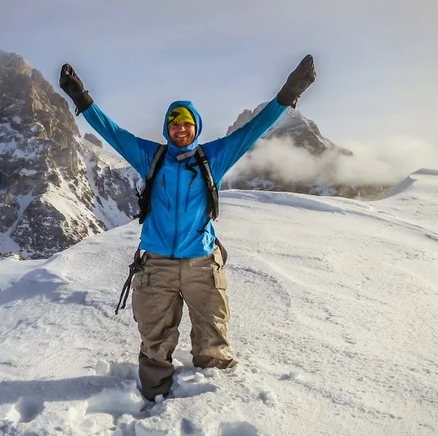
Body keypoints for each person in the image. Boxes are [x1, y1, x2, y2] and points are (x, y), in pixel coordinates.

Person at [58, 55, 316, 402]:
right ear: (167, 129)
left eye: (187, 123)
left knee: (212, 337)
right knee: (155, 340)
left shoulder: (214, 157)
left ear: (196, 127)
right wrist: (81, 98)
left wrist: (290, 91)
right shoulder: (152, 157)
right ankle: (151, 399)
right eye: (174, 123)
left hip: (202, 265)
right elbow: (113, 133)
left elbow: (254, 129)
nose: (181, 129)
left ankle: (210, 405)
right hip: (157, 265)